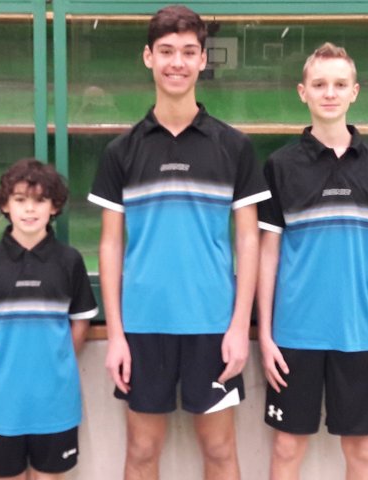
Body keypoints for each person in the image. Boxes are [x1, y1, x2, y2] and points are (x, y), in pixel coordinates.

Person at [88, 6, 270, 480]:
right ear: (148, 57)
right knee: (142, 451)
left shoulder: (234, 146)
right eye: (166, 51)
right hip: (143, 326)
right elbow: (110, 246)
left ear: (203, 60)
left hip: (212, 325)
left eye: (189, 52)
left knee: (220, 450)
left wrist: (239, 327)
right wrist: (116, 334)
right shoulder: (121, 151)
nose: (177, 62)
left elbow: (248, 240)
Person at [256, 43, 368, 480]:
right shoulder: (280, 165)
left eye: (340, 84)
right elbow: (268, 253)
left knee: (362, 451)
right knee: (287, 448)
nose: (329, 93)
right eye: (320, 84)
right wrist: (265, 335)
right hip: (294, 334)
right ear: (302, 91)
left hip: (358, 334)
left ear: (354, 92)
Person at [0, 158, 98, 480]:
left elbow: (80, 322)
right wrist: (3, 355)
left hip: (56, 399)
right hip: (3, 401)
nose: (30, 209)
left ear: (55, 207)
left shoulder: (69, 260)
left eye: (40, 200)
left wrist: (57, 359)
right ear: (5, 204)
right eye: (20, 199)